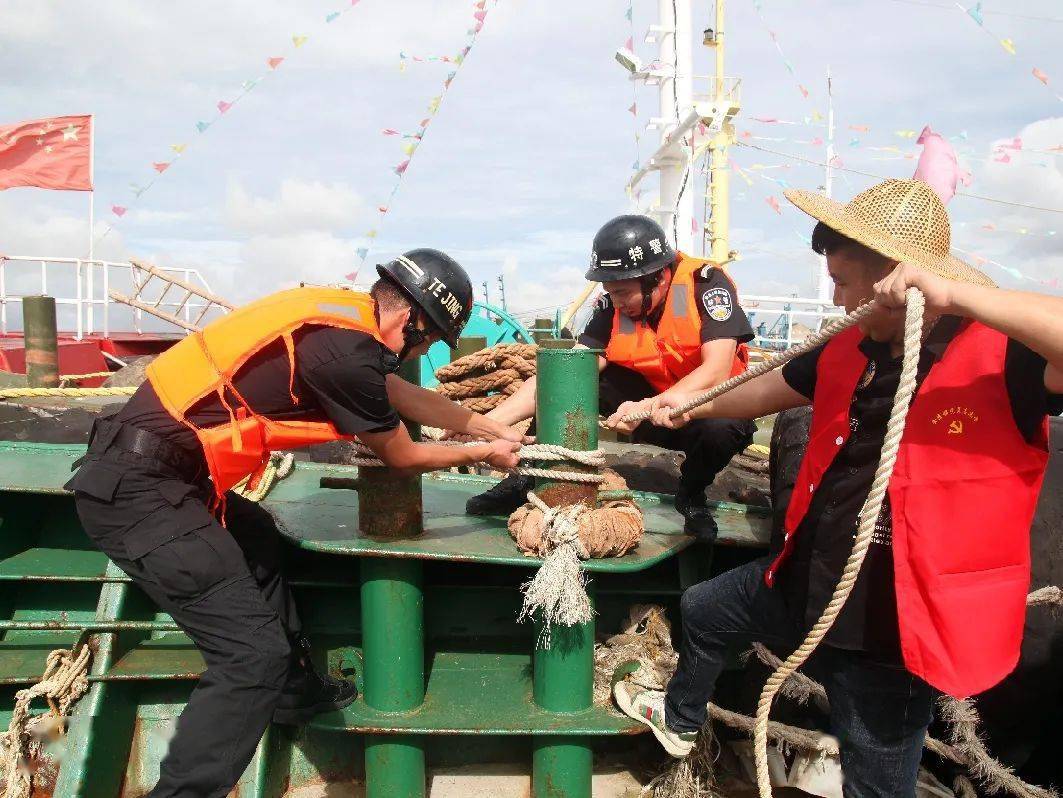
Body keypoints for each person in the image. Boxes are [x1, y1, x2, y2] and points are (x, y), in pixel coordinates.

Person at [608, 179, 1063, 796]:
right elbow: (762, 390)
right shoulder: (847, 346)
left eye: (845, 285)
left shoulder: (1004, 356)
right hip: (808, 580)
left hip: (894, 624)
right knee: (705, 610)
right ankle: (681, 721)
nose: (837, 299)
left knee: (873, 777)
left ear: (898, 282)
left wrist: (955, 294)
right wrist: (681, 404)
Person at [65, 249, 523, 798]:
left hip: (167, 475)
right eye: (428, 340)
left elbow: (404, 396)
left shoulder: (343, 321)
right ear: (411, 319)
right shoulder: (348, 357)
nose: (421, 352)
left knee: (256, 535)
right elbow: (401, 454)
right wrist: (483, 453)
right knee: (250, 657)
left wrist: (485, 425)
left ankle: (293, 691)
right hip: (140, 492)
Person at [466, 215, 756, 539]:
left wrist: (648, 405)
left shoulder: (705, 285)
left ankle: (692, 495)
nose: (615, 301)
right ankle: (524, 481)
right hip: (647, 410)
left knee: (723, 428)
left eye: (623, 292)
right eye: (610, 292)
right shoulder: (613, 306)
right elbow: (567, 372)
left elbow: (716, 368)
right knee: (576, 380)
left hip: (708, 409)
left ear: (657, 278)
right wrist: (488, 424)